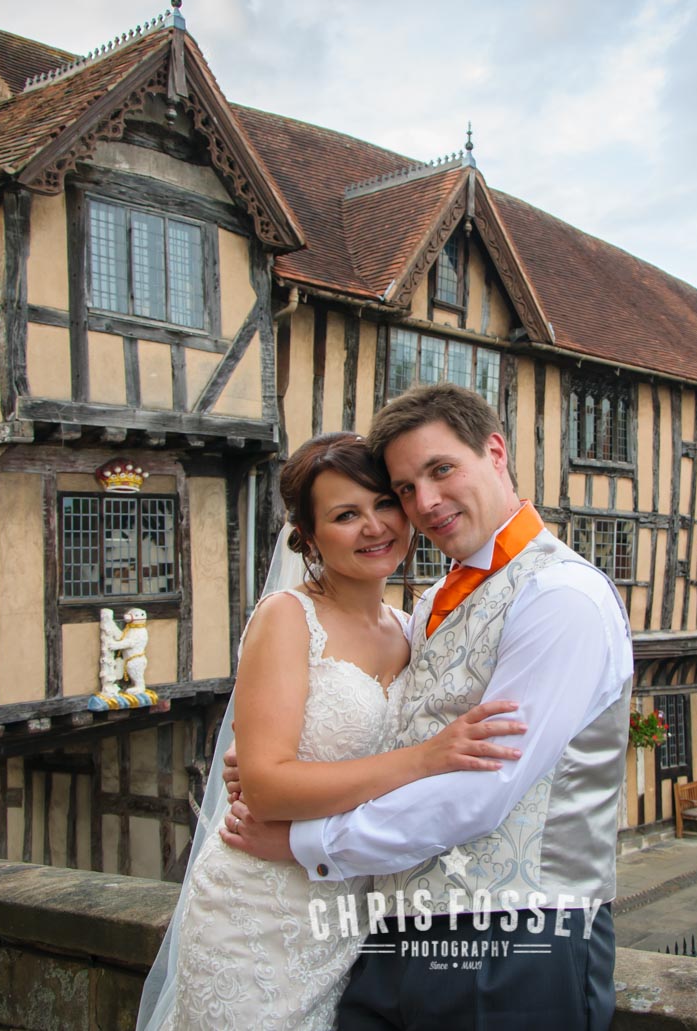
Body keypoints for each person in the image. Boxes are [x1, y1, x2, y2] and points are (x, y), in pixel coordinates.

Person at [224, 384, 635, 1030]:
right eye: (407, 488)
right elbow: (399, 738)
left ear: (495, 452)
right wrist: (278, 765)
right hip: (388, 936)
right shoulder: (428, 606)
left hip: (516, 941)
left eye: (441, 470)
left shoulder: (562, 596)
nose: (427, 503)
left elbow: (482, 791)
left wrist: (305, 840)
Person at [135, 432, 525, 1031]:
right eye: (346, 515)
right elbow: (266, 790)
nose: (375, 527)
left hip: (351, 912)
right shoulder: (287, 618)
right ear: (309, 537)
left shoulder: (413, 628)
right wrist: (423, 758)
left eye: (385, 503)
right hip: (258, 907)